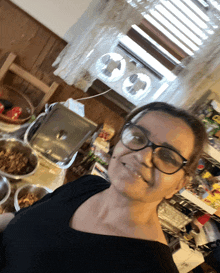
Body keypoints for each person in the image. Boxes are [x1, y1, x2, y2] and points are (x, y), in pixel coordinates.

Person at [0, 102, 208, 273]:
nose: (143, 156)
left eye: (167, 156)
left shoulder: (151, 268)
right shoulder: (88, 185)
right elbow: (17, 220)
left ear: (179, 184)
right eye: (137, 138)